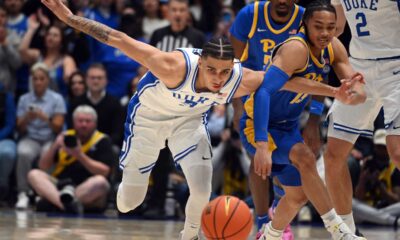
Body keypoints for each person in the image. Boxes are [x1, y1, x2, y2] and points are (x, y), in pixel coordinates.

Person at [41, 0, 362, 238]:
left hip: (189, 123)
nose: (219, 79)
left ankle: (191, 234)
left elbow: (281, 81)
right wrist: (70, 19)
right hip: (149, 122)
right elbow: (116, 37)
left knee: (202, 185)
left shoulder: (236, 77)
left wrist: (335, 91)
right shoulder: (171, 65)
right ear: (200, 64)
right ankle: (131, 180)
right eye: (212, 71)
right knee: (128, 203)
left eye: (225, 72)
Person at [248, 1, 366, 239]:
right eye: (318, 26)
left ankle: (269, 235)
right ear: (305, 25)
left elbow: (358, 90)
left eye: (330, 27)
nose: (324, 33)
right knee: (306, 158)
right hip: (259, 122)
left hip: (288, 125)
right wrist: (261, 145)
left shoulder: (333, 48)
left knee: (297, 196)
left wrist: (353, 95)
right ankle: (340, 232)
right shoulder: (296, 48)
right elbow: (262, 92)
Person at [322, 0, 400, 235]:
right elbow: (336, 28)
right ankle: (347, 233)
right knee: (333, 155)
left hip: (396, 67)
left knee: (396, 150)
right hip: (358, 69)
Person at [229, 1, 304, 237]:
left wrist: (314, 118)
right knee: (260, 160)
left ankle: (278, 214)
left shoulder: (306, 18)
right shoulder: (249, 16)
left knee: (290, 161)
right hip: (255, 96)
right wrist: (237, 106)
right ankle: (263, 220)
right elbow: (232, 65)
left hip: (291, 99)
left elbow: (320, 65)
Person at [27, 105, 114, 214]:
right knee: (34, 174)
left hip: (85, 188)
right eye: (80, 121)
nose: (84, 124)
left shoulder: (102, 140)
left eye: (88, 121)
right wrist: (55, 146)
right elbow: (43, 166)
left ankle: (54, 203)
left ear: (95, 123)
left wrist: (79, 155)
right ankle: (65, 205)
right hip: (60, 185)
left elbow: (105, 171)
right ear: (74, 122)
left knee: (100, 182)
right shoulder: (65, 137)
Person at [15, 62, 66, 209]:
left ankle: (42, 193)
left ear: (47, 80)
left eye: (41, 78)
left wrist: (45, 117)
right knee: (23, 152)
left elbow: (58, 128)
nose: (38, 82)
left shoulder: (57, 99)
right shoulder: (24, 99)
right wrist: (26, 118)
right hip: (31, 137)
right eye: (35, 78)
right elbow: (19, 128)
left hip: (49, 137)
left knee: (48, 153)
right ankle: (23, 193)